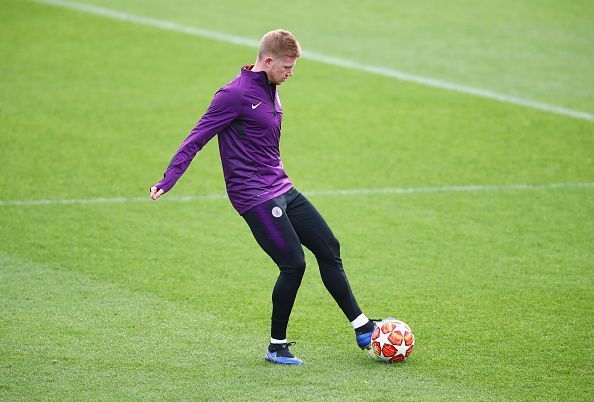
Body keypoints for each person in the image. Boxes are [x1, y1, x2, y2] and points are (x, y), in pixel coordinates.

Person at [150, 29, 376, 365]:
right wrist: (170, 178)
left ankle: (362, 327)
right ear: (267, 60)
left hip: (281, 186)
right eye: (287, 67)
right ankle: (276, 346)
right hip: (253, 195)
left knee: (329, 247)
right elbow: (196, 138)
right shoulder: (233, 95)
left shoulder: (271, 87)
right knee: (293, 264)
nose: (291, 73)